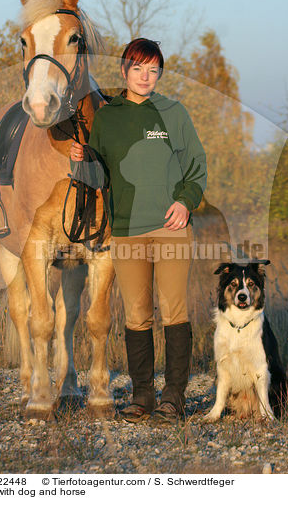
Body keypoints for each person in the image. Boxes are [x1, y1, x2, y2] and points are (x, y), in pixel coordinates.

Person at [70, 38, 207, 423]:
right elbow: (98, 176)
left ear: (159, 73)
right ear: (124, 71)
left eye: (153, 70)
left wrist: (185, 201)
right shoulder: (109, 117)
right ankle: (143, 396)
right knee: (136, 314)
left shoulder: (173, 112)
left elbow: (197, 163)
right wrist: (81, 161)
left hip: (171, 228)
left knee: (174, 310)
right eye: (138, 69)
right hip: (127, 230)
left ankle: (174, 397)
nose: (146, 77)